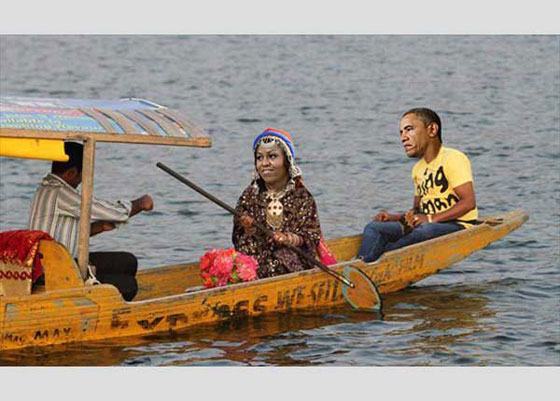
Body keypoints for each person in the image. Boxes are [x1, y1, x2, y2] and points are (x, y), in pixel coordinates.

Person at [28, 141, 153, 301]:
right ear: (72, 173)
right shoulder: (60, 192)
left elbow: (64, 232)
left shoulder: (45, 188)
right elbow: (113, 212)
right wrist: (141, 203)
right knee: (128, 285)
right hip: (55, 270)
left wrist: (98, 227)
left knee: (128, 262)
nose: (81, 181)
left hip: (58, 261)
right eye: (82, 176)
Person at [357, 108, 478, 262]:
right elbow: (418, 212)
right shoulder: (418, 169)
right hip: (427, 223)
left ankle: (380, 261)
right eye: (401, 133)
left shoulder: (453, 158)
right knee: (374, 227)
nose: (403, 137)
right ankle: (360, 265)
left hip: (457, 224)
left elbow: (468, 202)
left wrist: (431, 219)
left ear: (432, 130)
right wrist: (394, 217)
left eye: (409, 129)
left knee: (424, 230)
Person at [232, 128, 336, 278]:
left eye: (272, 156)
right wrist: (247, 228)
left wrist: (288, 239)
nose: (264, 163)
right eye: (259, 158)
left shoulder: (302, 196)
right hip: (254, 262)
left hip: (290, 264)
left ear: (286, 161)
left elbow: (311, 236)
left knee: (281, 258)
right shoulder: (249, 195)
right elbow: (239, 237)